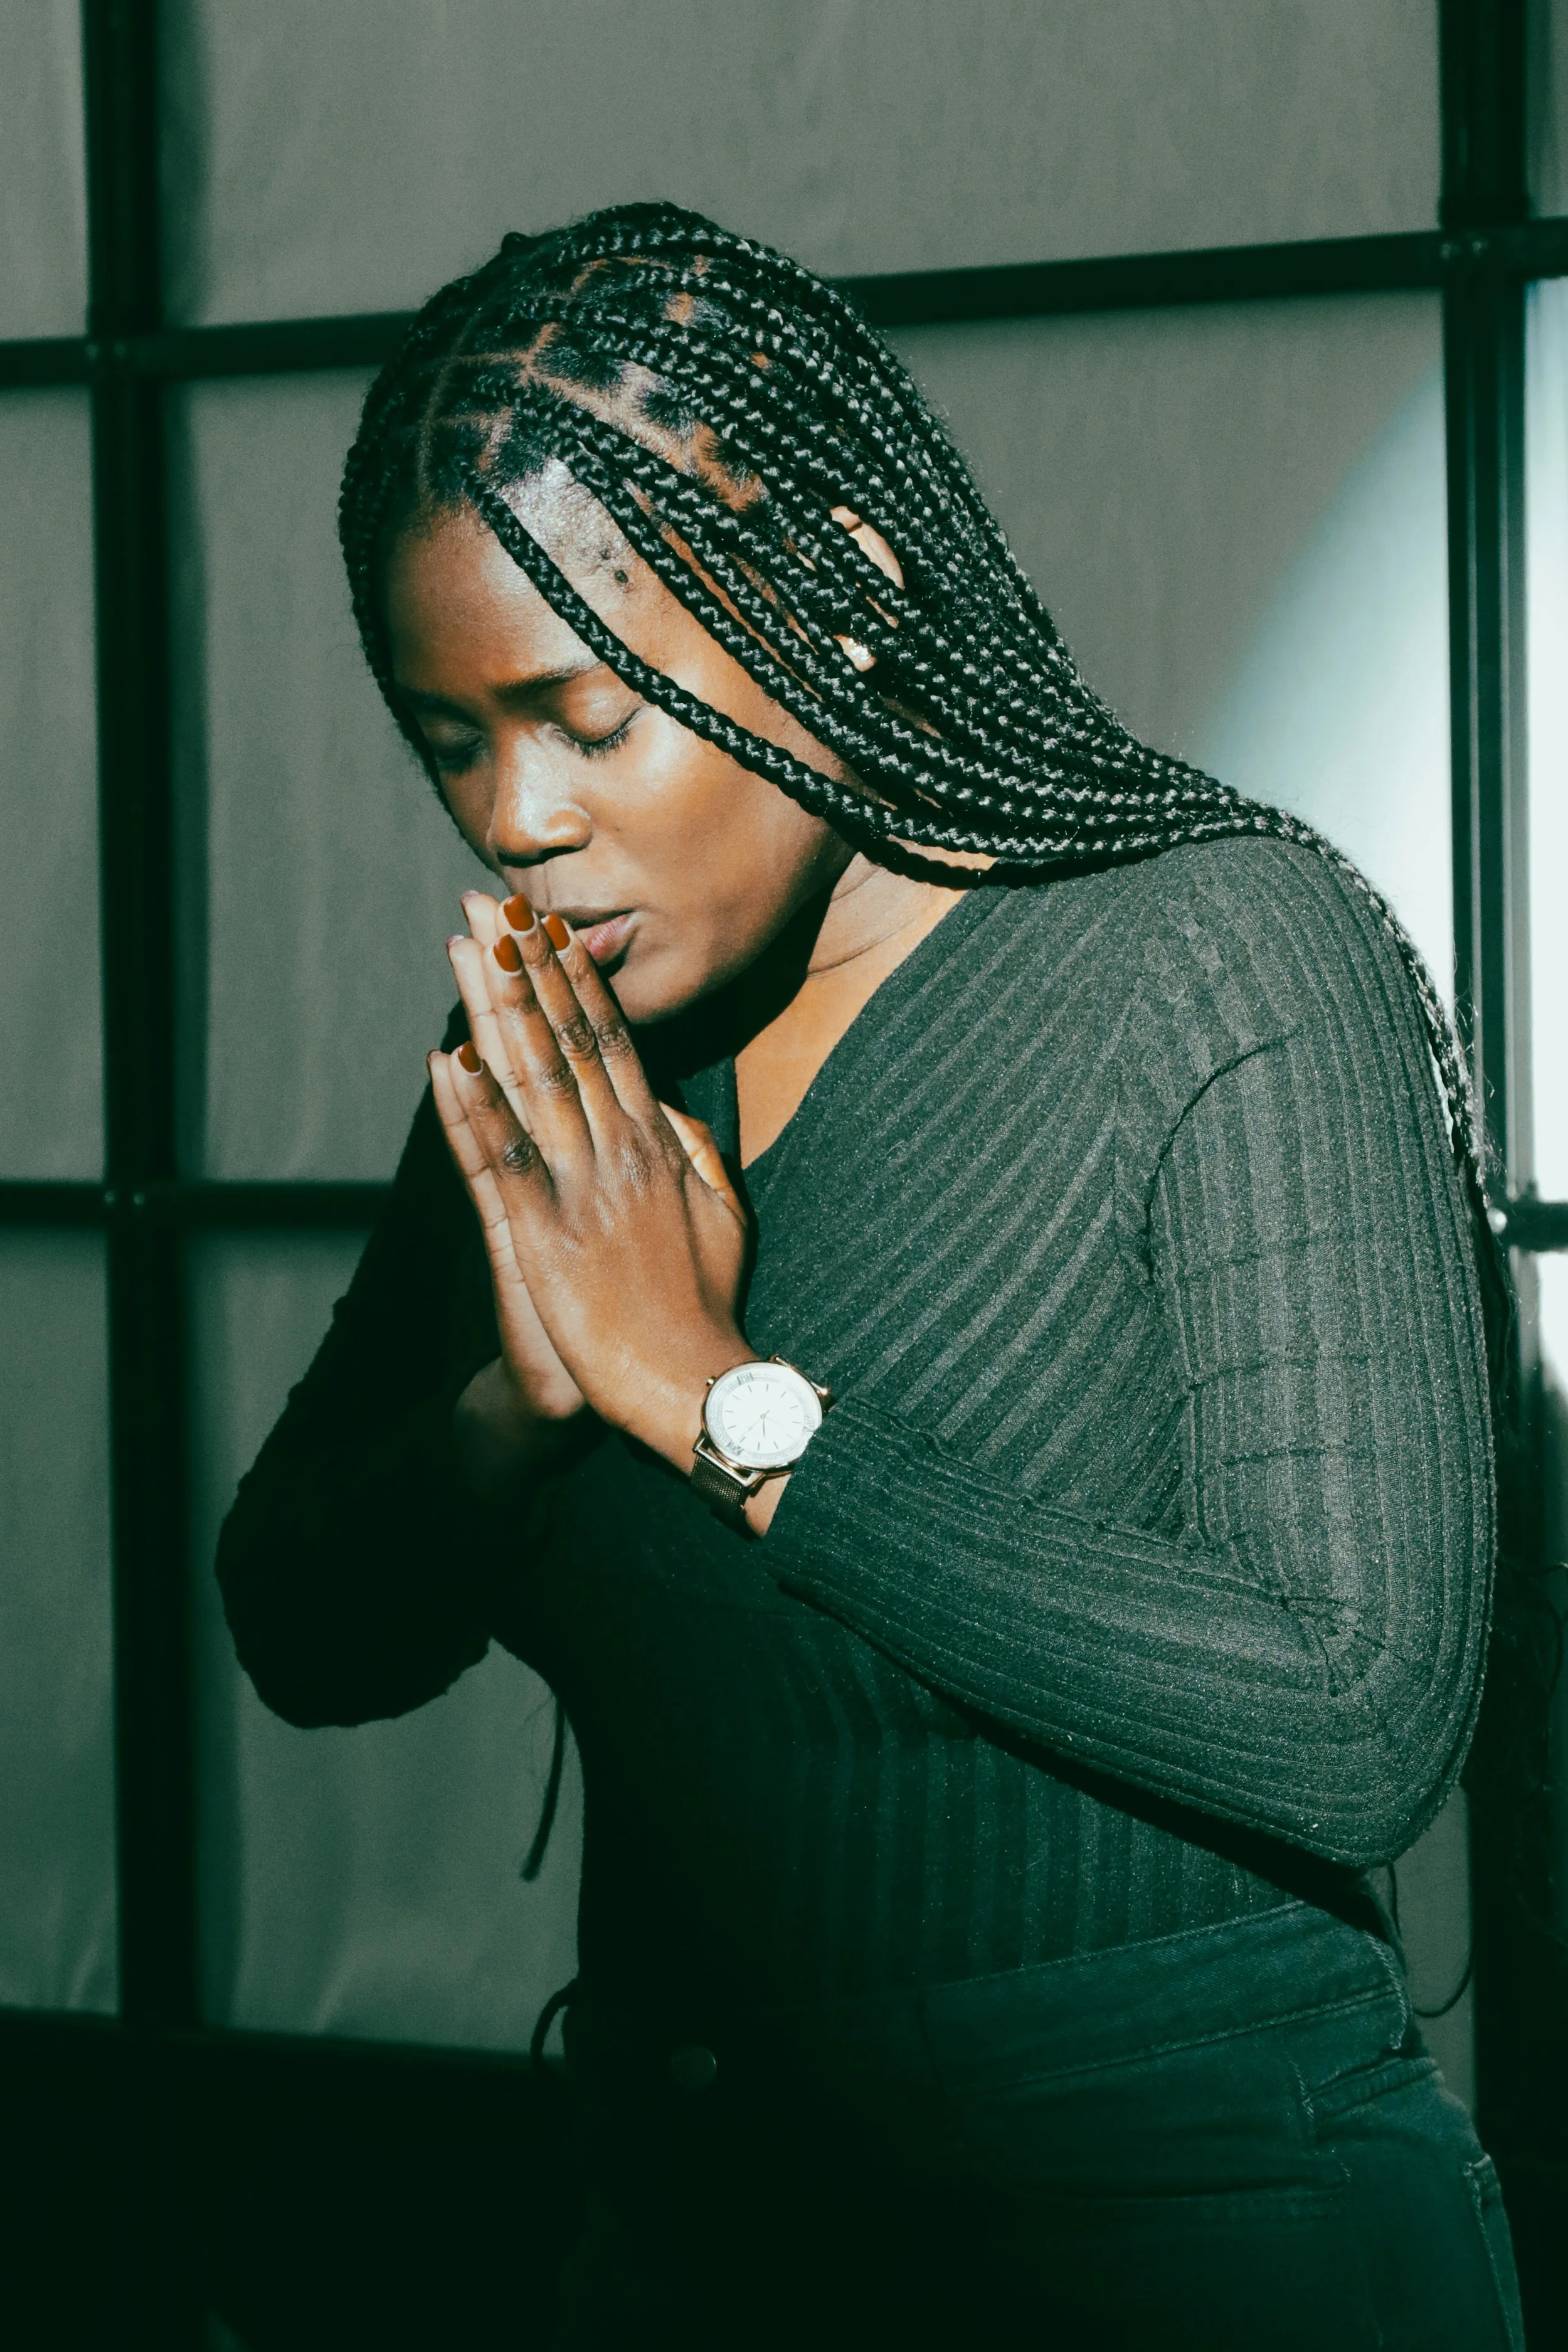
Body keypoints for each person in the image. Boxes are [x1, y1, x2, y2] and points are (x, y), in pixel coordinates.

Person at [217, 204, 1525, 2349]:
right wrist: (534, 1392)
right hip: (699, 2235)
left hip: (1192, 2244)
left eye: (580, 714)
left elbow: (1353, 1712)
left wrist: (727, 1408)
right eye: (450, 741)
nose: (514, 819)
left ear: (838, 593)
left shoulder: (1215, 953)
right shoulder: (560, 1051)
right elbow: (297, 1613)